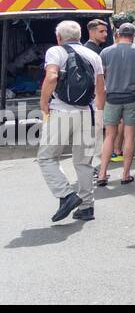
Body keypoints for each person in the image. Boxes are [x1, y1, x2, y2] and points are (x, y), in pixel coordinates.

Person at [38, 19, 106, 223]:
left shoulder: (56, 51)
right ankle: (86, 207)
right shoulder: (93, 55)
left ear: (59, 37)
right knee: (84, 162)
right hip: (88, 112)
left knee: (47, 157)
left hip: (61, 112)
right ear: (80, 37)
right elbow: (101, 89)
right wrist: (100, 116)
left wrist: (43, 102)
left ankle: (66, 195)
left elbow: (51, 77)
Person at [97, 23, 135, 185]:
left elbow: (101, 77)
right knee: (129, 136)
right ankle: (125, 174)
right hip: (132, 98)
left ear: (118, 34)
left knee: (109, 136)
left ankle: (101, 174)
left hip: (112, 98)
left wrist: (103, 96)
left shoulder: (106, 52)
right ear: (134, 35)